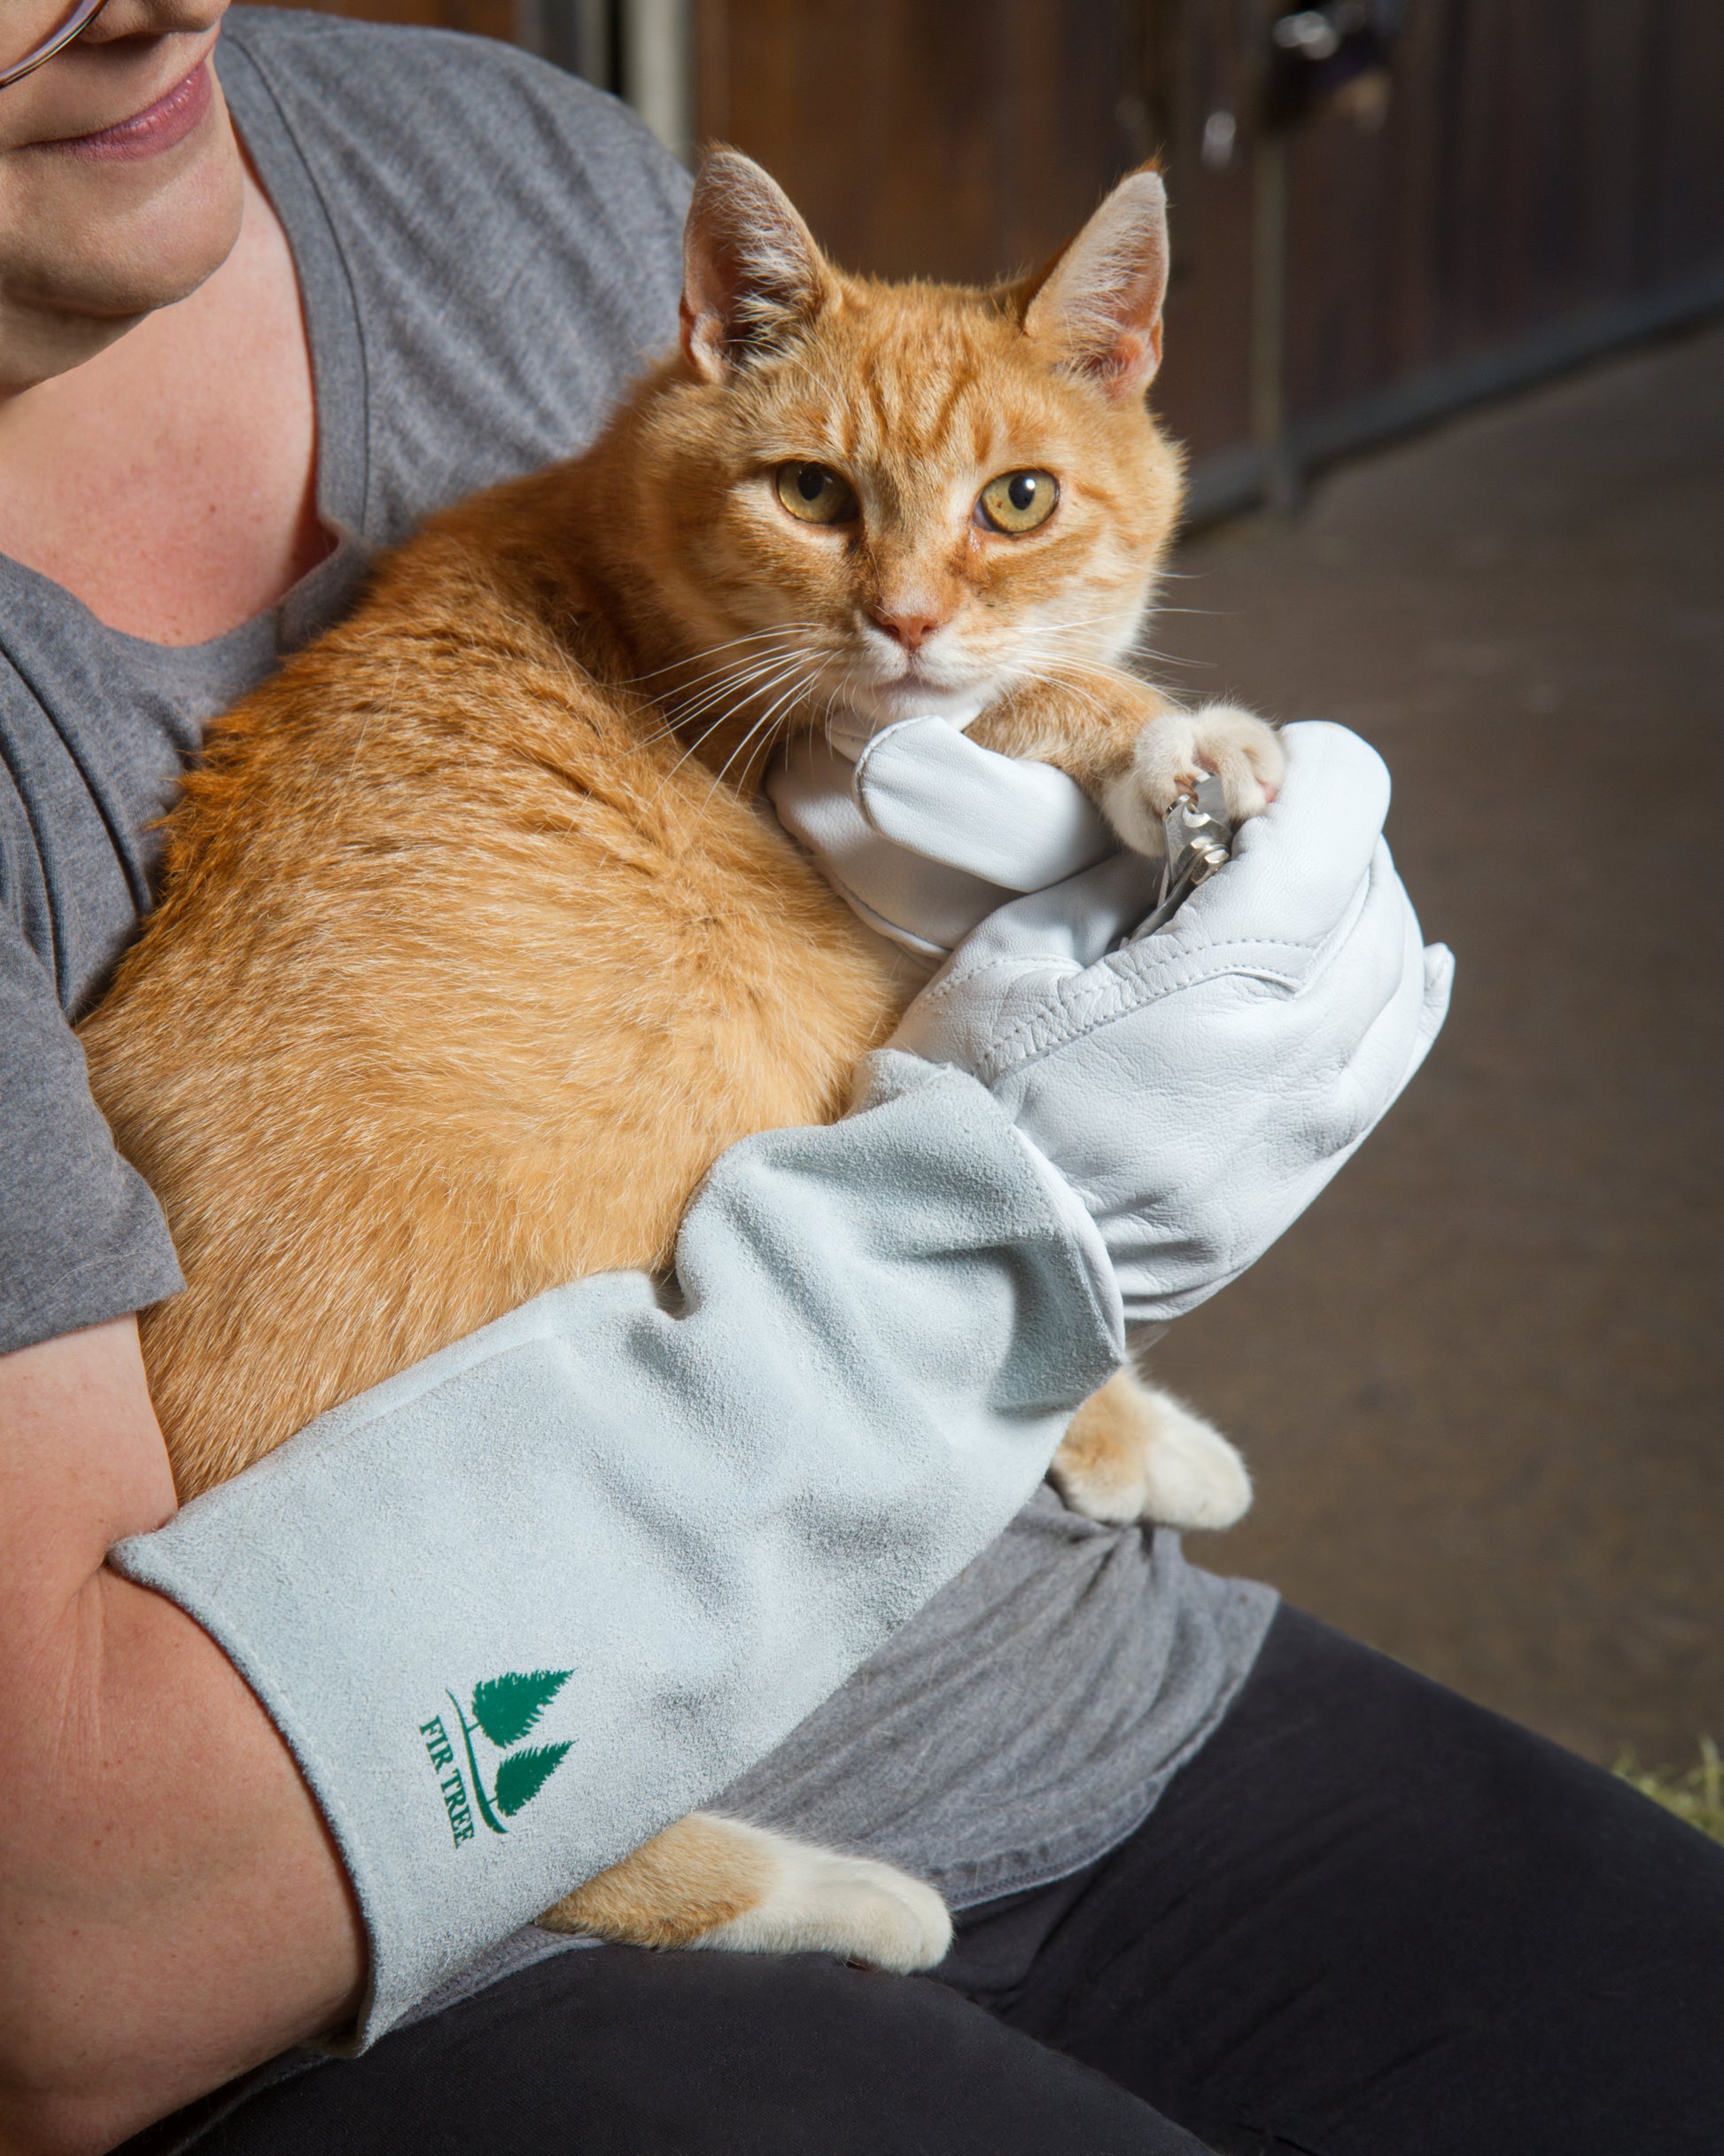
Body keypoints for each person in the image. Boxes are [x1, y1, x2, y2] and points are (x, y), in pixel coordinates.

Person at [0, 9, 1716, 2154]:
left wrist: (1065, 784)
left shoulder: (495, 160)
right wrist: (962, 1297)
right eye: (826, 506)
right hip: (443, 1845)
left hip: (1028, 1647)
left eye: (1001, 516)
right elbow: (61, 1970)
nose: (911, 604)